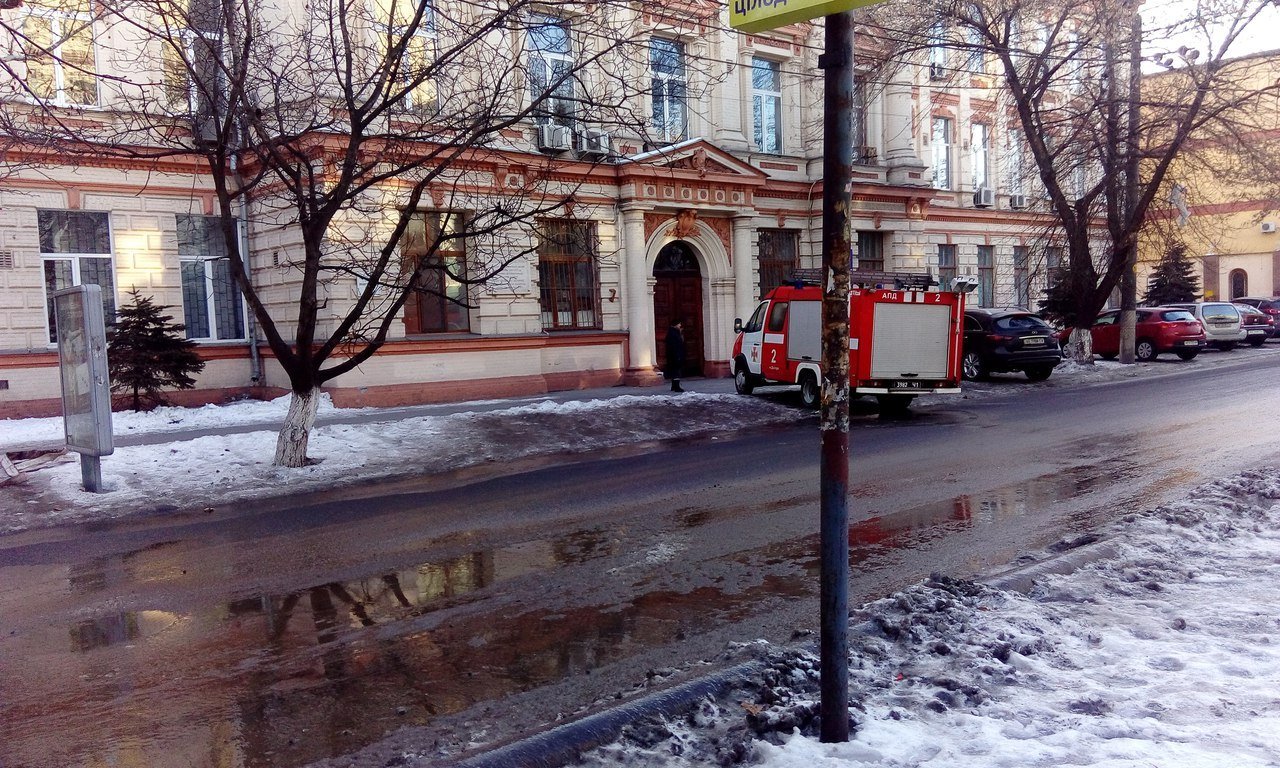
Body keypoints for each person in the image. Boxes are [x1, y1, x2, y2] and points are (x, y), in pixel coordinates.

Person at [665, 318, 687, 393]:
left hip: (674, 354)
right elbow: (675, 345)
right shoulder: (673, 334)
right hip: (675, 355)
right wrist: (677, 355)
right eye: (679, 324)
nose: (680, 325)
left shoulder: (674, 332)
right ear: (675, 325)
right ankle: (676, 387)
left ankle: (674, 386)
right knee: (676, 370)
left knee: (675, 370)